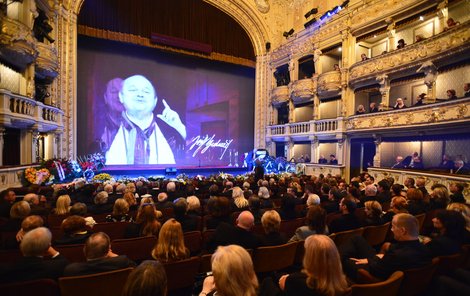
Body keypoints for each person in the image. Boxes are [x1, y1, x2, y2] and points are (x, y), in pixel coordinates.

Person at [105, 75, 185, 165]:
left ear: (155, 100)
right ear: (121, 96)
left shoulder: (171, 136)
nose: (140, 95)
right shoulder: (105, 134)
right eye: (133, 90)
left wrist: (179, 128)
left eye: (146, 91)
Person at [341, 213, 432, 280]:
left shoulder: (396, 255)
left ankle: (334, 262)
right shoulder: (425, 248)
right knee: (357, 238)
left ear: (403, 231)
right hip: (382, 264)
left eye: (393, 227)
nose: (391, 230)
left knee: (345, 259)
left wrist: (370, 260)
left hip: (373, 276)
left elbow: (376, 270)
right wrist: (376, 258)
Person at [270, 235, 349, 296]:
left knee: (268, 282)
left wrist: (286, 284)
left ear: (311, 258)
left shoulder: (297, 281)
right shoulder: (344, 283)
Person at [0, 227, 68, 283]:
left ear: (21, 247)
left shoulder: (4, 270)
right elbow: (64, 261)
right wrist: (51, 250)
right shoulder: (57, 267)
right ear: (47, 248)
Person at [64, 232, 136, 276]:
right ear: (108, 250)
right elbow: (137, 272)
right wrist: (116, 257)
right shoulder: (122, 262)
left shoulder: (71, 271)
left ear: (84, 250)